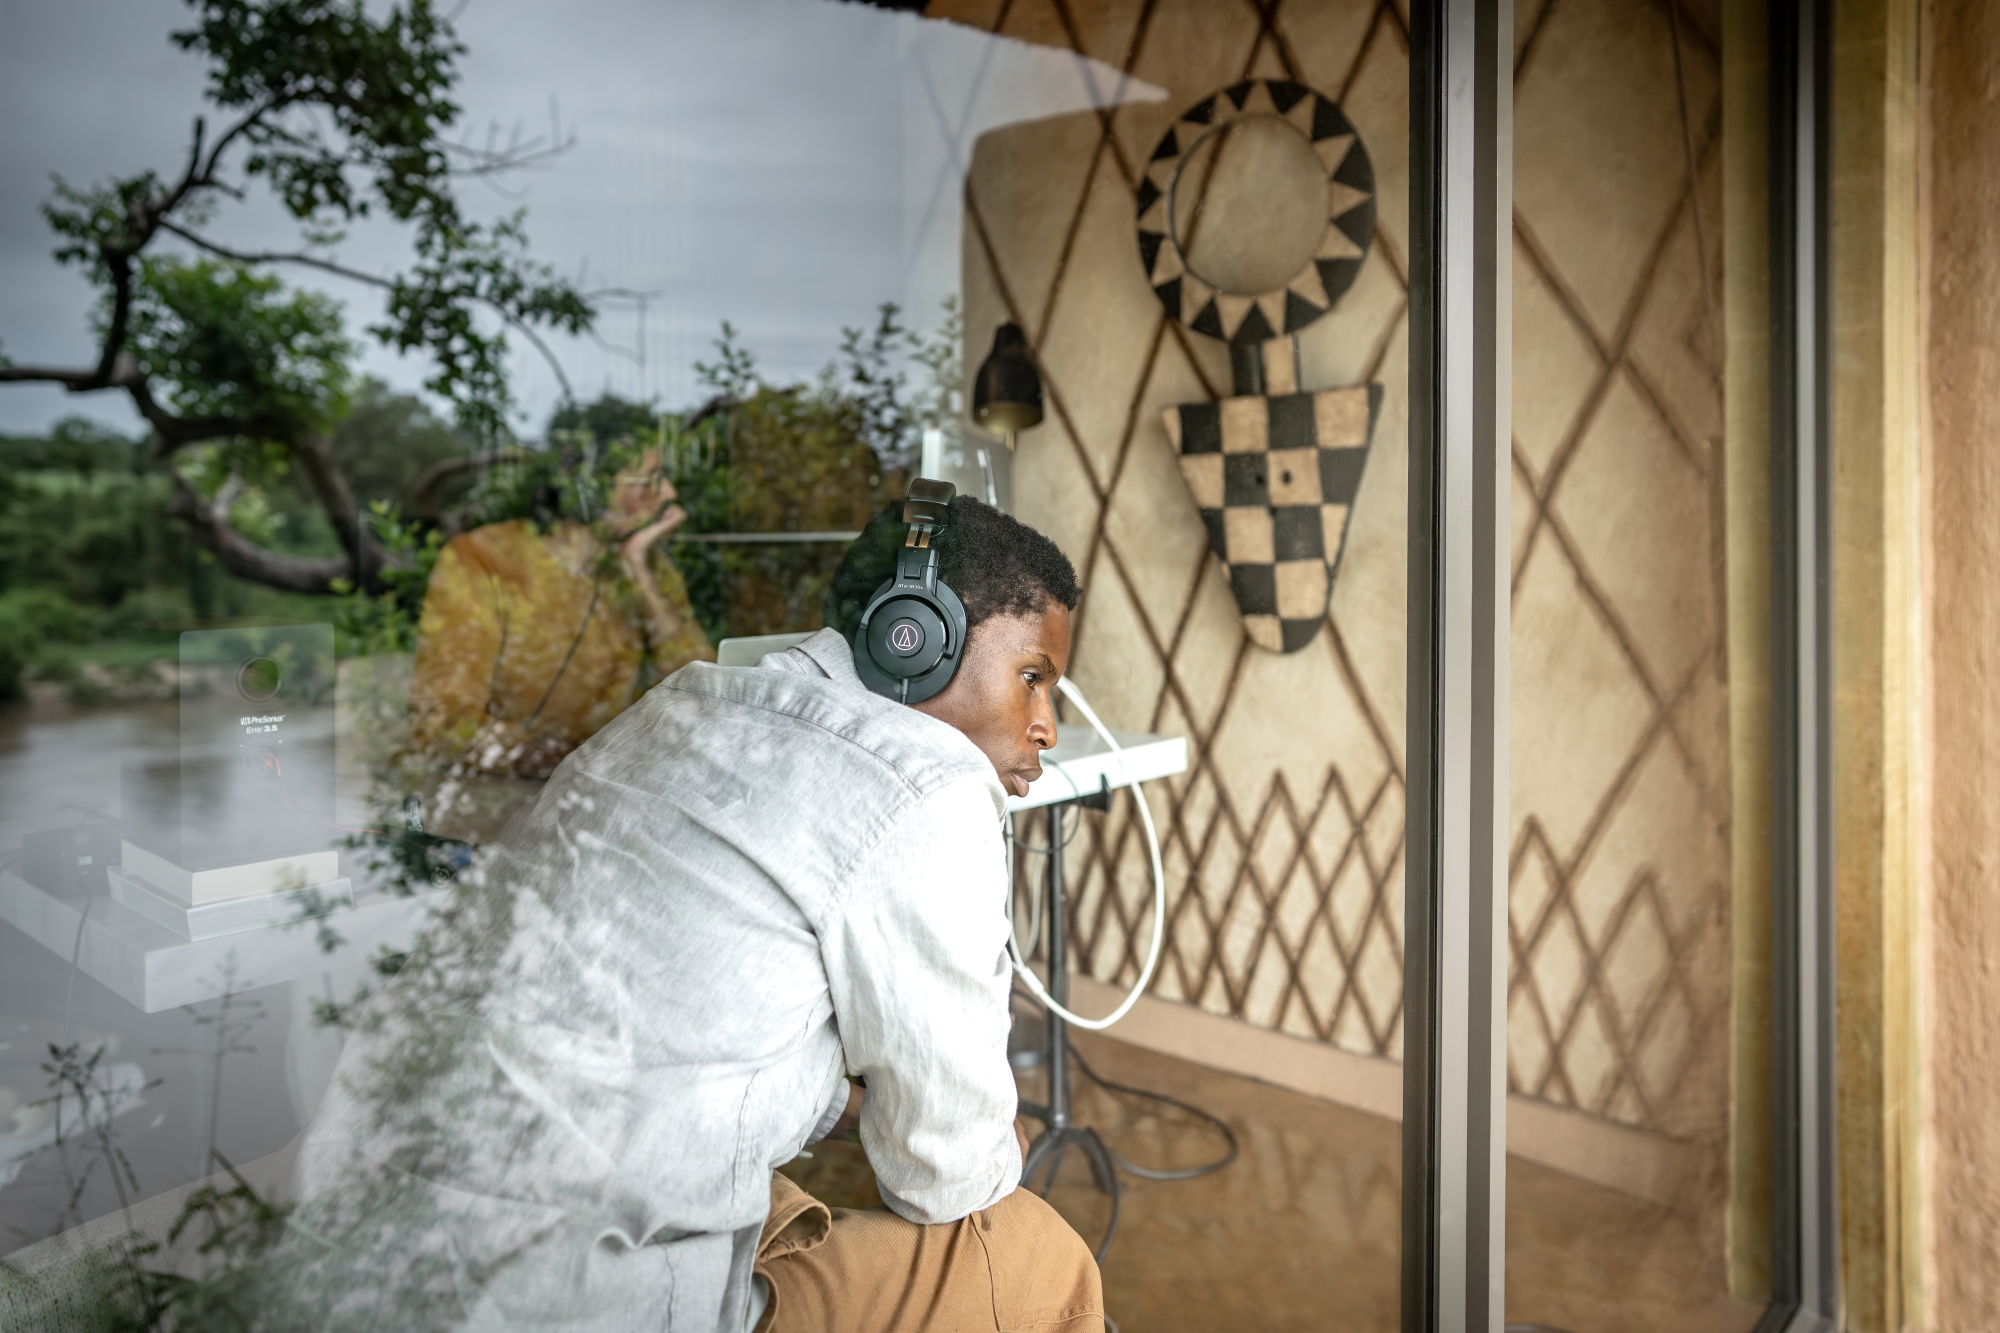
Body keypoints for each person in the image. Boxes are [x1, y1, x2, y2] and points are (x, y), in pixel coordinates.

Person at [281, 492, 1102, 1333]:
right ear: (915, 637)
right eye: (1033, 678)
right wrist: (974, 1125)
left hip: (352, 1258)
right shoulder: (927, 785)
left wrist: (850, 1106)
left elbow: (674, 1021)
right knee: (1035, 1255)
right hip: (565, 1305)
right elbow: (945, 1175)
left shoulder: (675, 708)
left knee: (775, 1200)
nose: (1046, 726)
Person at [405, 449, 713, 781]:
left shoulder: (646, 567)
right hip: (505, 792)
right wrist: (557, 759)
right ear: (589, 485)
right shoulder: (485, 560)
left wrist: (638, 571)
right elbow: (443, 721)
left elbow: (706, 690)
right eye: (646, 480)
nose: (668, 494)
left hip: (608, 783)